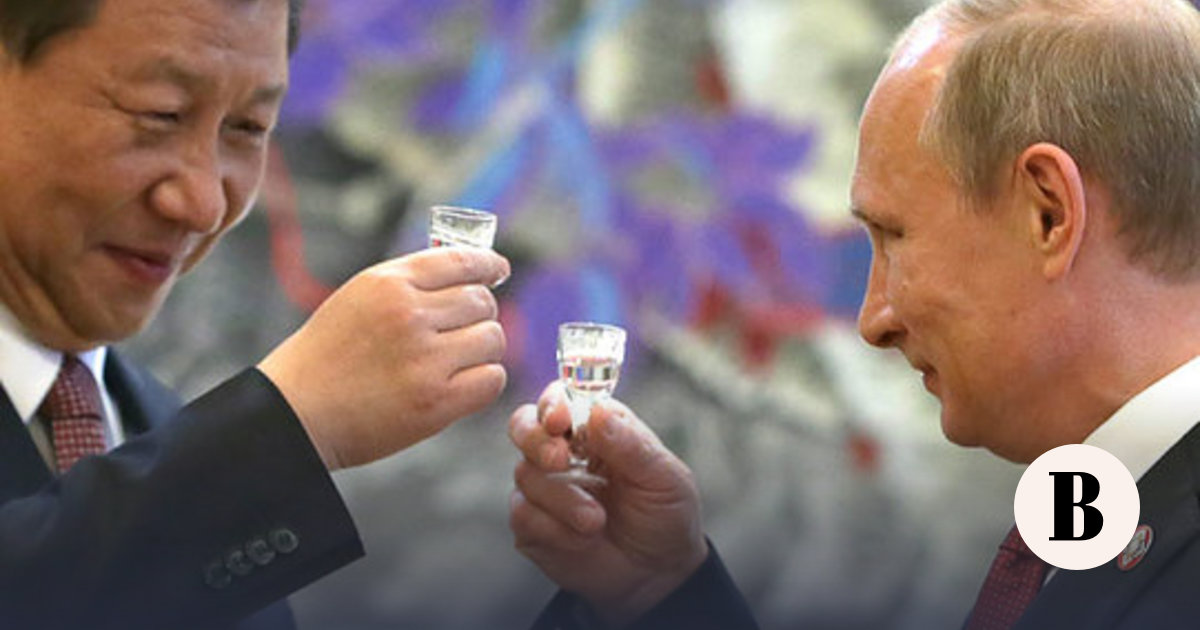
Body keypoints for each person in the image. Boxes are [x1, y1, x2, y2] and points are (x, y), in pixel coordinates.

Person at [508, 0, 1200, 628]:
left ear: (1048, 213)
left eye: (894, 236)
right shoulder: (1104, 514)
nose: (874, 319)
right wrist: (657, 592)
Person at [0, 0, 510, 628]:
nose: (204, 203)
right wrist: (291, 426)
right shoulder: (230, 471)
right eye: (160, 113)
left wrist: (612, 594)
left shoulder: (173, 457)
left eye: (246, 129)